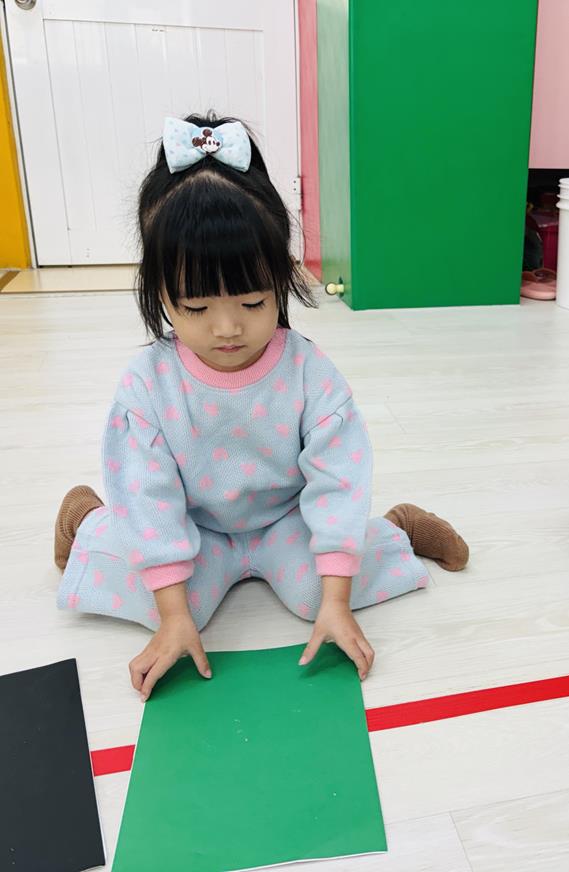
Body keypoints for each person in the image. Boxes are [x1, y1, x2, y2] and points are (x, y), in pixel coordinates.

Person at [54, 115, 469, 699]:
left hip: (284, 520)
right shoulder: (147, 385)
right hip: (195, 526)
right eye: (196, 308)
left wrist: (336, 602)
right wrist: (173, 616)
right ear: (159, 292)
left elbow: (337, 478)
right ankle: (86, 518)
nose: (227, 328)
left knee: (317, 594)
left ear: (281, 278)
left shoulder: (308, 372)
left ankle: (396, 528)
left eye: (252, 302)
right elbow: (149, 500)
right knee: (165, 602)